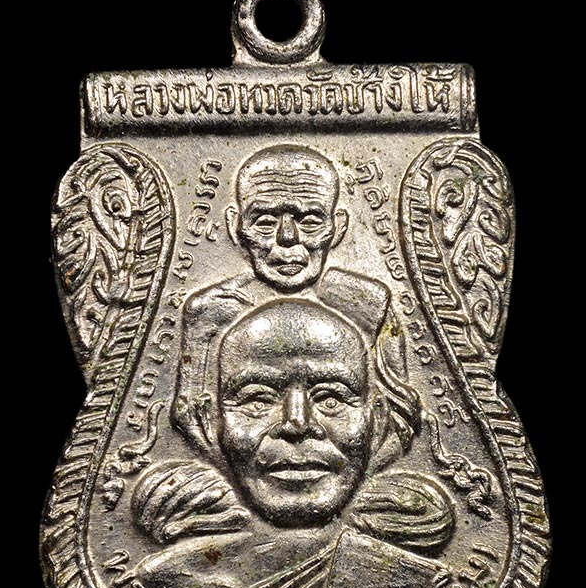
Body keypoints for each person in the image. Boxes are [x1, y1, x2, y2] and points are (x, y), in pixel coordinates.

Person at [133, 300, 454, 588]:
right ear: (208, 421)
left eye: (331, 398)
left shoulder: (420, 585)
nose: (297, 423)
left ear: (378, 420)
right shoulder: (164, 582)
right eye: (257, 399)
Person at [173, 144, 419, 458]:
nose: (287, 237)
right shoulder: (208, 313)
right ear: (236, 227)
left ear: (338, 226)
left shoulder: (368, 305)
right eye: (264, 221)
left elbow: (400, 421)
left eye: (310, 221)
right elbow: (190, 422)